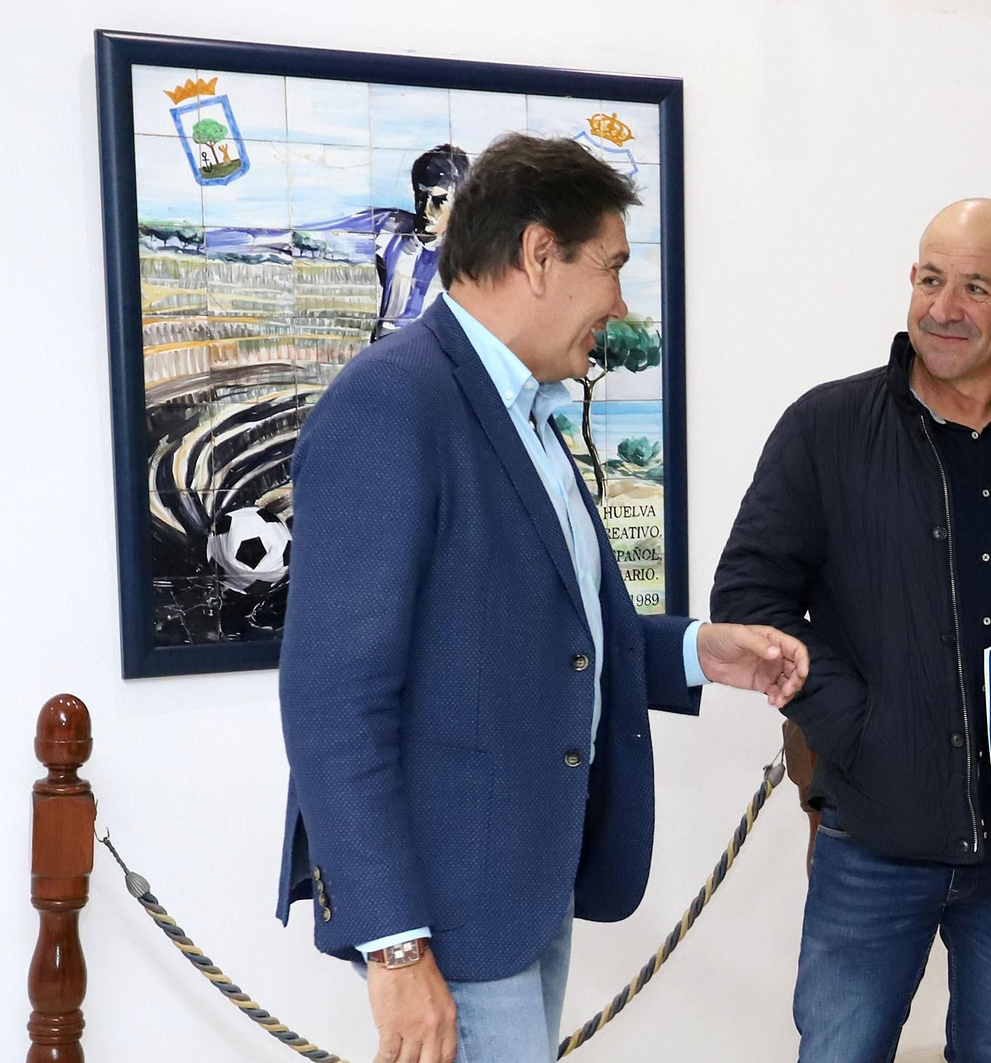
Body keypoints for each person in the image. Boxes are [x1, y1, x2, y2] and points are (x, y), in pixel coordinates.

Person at [275, 133, 809, 1063]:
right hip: (446, 912)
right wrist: (395, 945)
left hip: (523, 889)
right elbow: (333, 698)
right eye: (610, 268)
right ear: (537, 254)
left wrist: (696, 651)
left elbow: (534, 635)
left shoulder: (525, 409)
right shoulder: (391, 402)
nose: (619, 302)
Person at [712, 198, 991, 1062]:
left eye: (976, 287)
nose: (943, 307)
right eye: (929, 279)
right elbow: (752, 598)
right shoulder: (826, 430)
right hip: (874, 834)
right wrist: (859, 732)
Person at [372, 143, 471, 341]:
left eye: (438, 200)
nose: (425, 209)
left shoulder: (468, 257)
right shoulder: (390, 231)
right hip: (385, 349)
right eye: (420, 196)